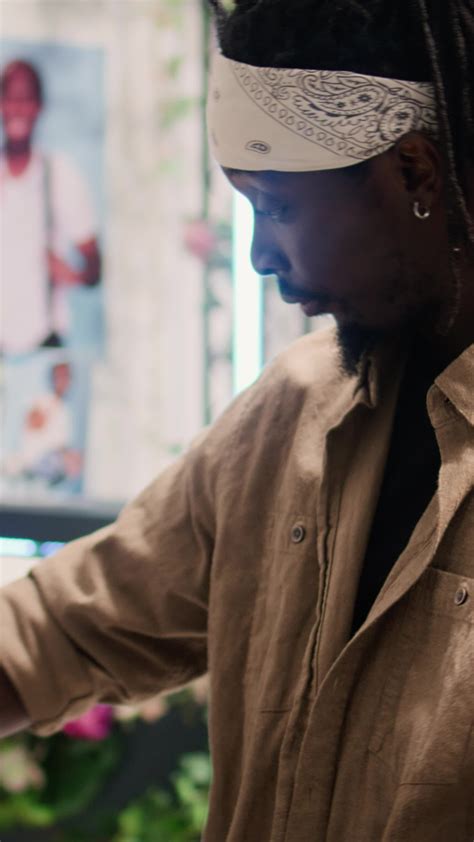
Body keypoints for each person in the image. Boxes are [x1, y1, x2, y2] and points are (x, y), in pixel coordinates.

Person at [0, 2, 473, 839]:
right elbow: (63, 631)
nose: (259, 255)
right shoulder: (292, 412)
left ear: (414, 172)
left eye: (278, 206)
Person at [0, 60, 101, 356]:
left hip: (43, 348)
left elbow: (94, 267)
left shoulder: (60, 175)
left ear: (39, 106)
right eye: (10, 98)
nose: (18, 108)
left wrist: (73, 274)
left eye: (26, 99)